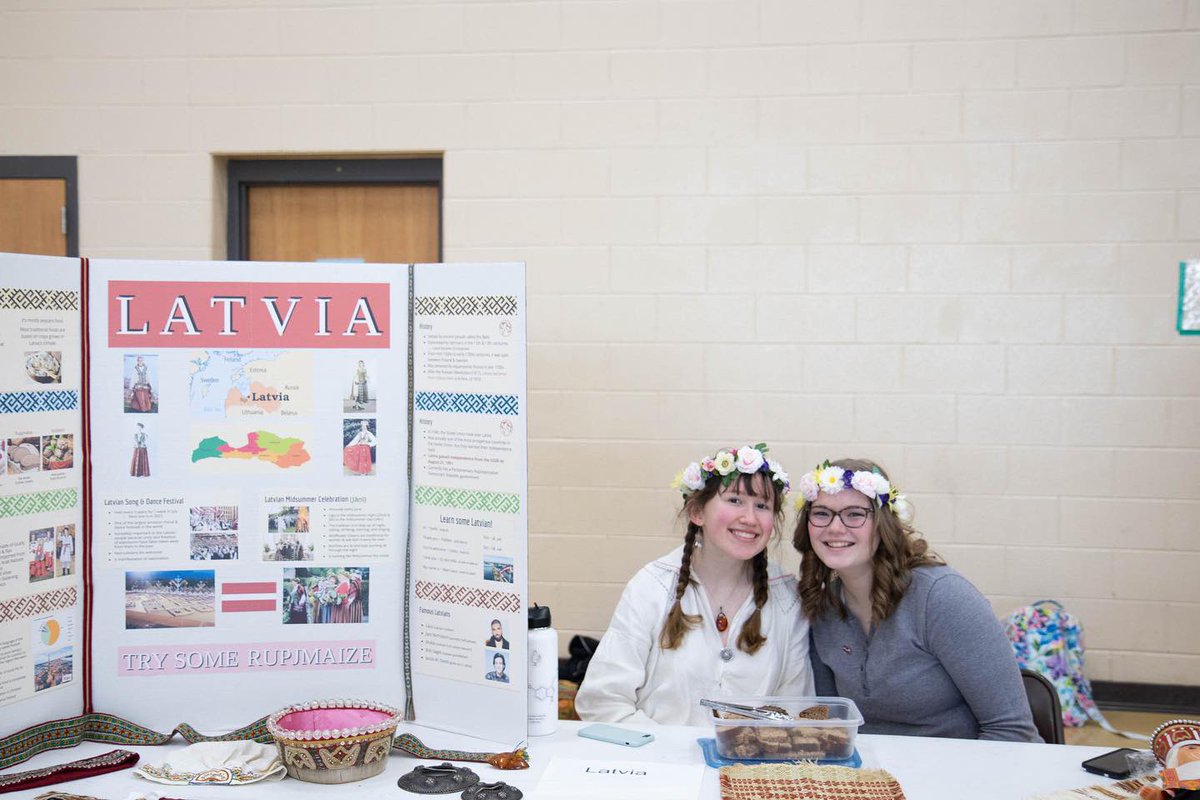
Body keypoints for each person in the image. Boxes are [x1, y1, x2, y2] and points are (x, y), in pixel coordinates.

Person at [793, 458, 1039, 742]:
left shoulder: (941, 597)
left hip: (961, 773)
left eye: (854, 514)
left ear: (882, 524)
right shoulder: (822, 607)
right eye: (822, 513)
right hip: (873, 778)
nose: (835, 528)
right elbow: (833, 723)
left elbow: (1012, 731)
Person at [575, 444, 813, 726]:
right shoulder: (652, 587)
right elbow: (602, 700)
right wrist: (671, 756)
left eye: (762, 506)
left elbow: (797, 711)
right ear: (697, 512)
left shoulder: (786, 598)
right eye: (735, 500)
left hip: (750, 766)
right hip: (660, 764)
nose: (750, 518)